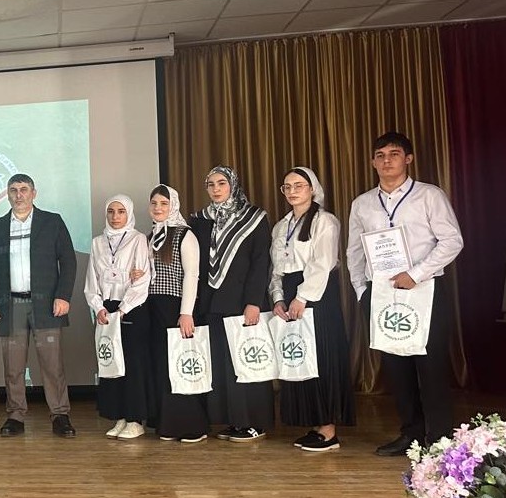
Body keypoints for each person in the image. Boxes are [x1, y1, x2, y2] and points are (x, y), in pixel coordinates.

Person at [347, 132, 463, 455]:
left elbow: (452, 241)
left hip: (425, 290)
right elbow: (354, 252)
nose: (387, 161)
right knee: (397, 370)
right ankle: (411, 435)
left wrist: (415, 274)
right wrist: (362, 291)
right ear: (373, 162)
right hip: (382, 295)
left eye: (394, 154)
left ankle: (439, 441)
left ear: (408, 159)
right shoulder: (362, 203)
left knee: (431, 368)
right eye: (380, 155)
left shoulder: (429, 195)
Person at [0, 173, 77, 438]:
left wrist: (63, 296)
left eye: (24, 189)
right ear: (7, 194)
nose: (19, 194)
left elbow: (68, 261)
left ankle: (60, 415)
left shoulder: (52, 222)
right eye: (13, 190)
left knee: (52, 365)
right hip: (11, 306)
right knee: (13, 367)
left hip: (46, 304)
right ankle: (15, 415)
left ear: (34, 193)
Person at [270, 167, 355, 452]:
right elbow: (276, 269)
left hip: (317, 295)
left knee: (321, 357)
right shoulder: (281, 226)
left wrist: (302, 297)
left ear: (312, 189)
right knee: (299, 356)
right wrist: (278, 297)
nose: (292, 191)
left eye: (299, 185)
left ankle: (329, 431)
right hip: (290, 293)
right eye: (287, 186)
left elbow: (322, 263)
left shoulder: (325, 221)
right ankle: (314, 423)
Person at [189, 166, 274, 442]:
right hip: (212, 303)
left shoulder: (254, 218)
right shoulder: (200, 220)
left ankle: (254, 423)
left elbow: (261, 262)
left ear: (233, 185)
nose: (216, 189)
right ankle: (234, 421)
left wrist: (254, 302)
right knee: (223, 365)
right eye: (211, 184)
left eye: (222, 183)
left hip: (242, 303)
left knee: (247, 362)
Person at [84, 194, 152, 440]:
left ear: (129, 213)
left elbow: (142, 279)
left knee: (132, 365)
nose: (115, 217)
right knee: (111, 364)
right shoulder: (97, 242)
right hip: (106, 309)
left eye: (121, 211)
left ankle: (135, 420)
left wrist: (123, 309)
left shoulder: (138, 239)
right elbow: (92, 280)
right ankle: (119, 416)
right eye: (111, 212)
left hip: (131, 309)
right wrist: (98, 307)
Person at [145, 185, 209, 443]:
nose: (158, 208)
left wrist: (186, 313)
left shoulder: (185, 234)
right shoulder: (150, 236)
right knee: (163, 365)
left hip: (175, 307)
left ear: (173, 205)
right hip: (153, 308)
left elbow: (192, 275)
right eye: (154, 203)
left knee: (181, 364)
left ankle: (192, 426)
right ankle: (168, 423)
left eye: (164, 203)